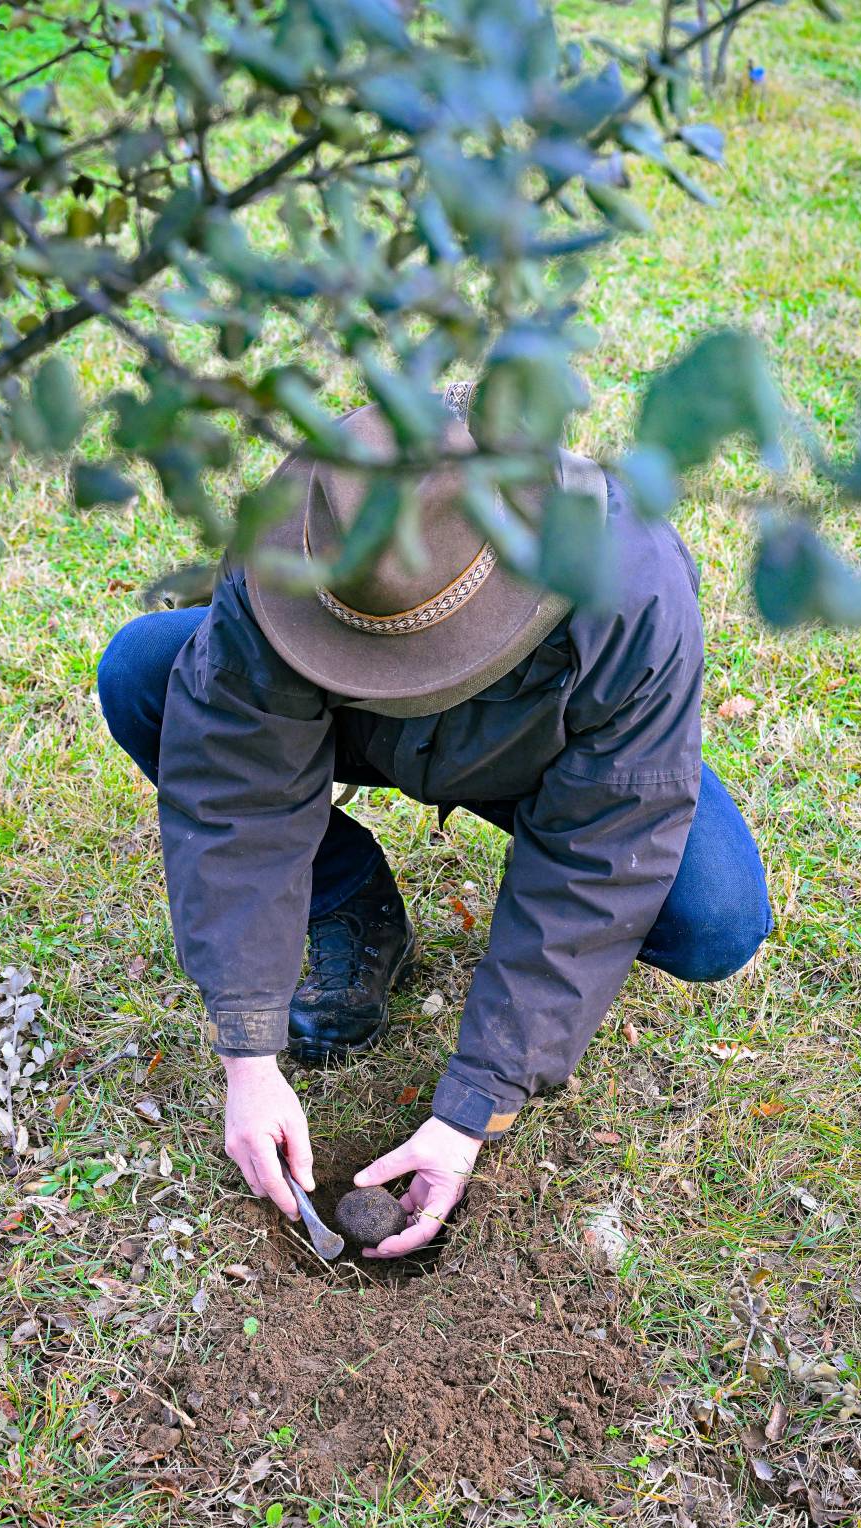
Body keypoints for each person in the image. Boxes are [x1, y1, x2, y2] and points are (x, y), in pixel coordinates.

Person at [97, 386, 772, 1258]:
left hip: (548, 762)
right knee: (147, 674)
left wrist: (473, 1109)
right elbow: (234, 789)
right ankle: (348, 900)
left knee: (713, 916)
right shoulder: (301, 534)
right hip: (361, 733)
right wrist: (249, 1057)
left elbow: (606, 852)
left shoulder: (629, 586)